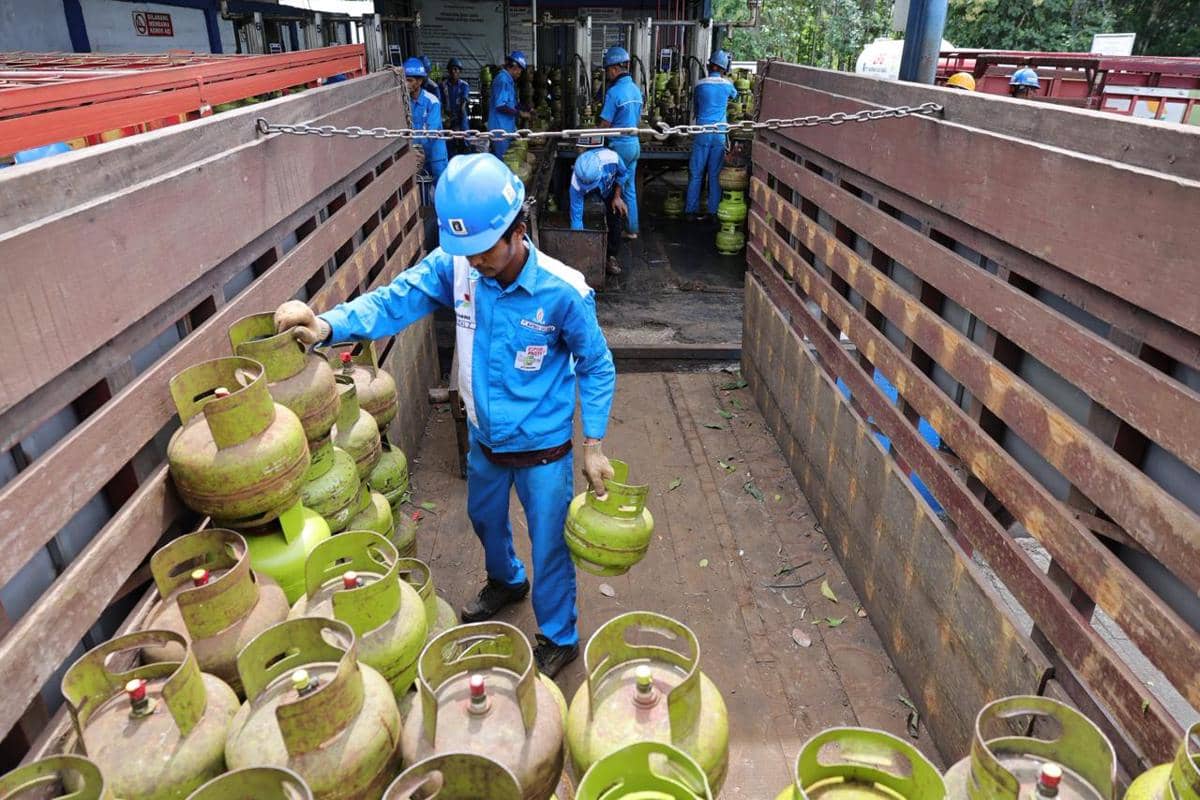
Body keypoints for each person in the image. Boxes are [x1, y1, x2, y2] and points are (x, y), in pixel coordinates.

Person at [273, 154, 616, 677]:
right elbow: (395, 300)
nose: (473, 262)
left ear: (517, 231)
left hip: (543, 450)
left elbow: (596, 365)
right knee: (484, 520)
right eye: (464, 252)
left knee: (549, 544)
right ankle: (506, 581)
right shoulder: (457, 269)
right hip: (484, 441)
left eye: (483, 251)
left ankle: (560, 634)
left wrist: (593, 444)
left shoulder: (562, 291)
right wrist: (327, 325)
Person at [685, 49, 737, 221]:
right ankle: (713, 212)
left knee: (696, 173)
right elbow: (736, 97)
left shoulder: (700, 85)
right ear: (724, 68)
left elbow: (696, 107)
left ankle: (691, 211)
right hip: (719, 133)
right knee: (715, 175)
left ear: (709, 66)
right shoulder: (728, 84)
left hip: (702, 132)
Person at [597, 45, 643, 240]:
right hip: (634, 145)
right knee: (629, 188)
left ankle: (612, 233)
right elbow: (637, 120)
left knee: (612, 190)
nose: (607, 74)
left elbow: (605, 124)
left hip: (619, 148)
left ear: (615, 69)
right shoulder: (636, 90)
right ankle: (632, 229)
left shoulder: (614, 93)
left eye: (608, 70)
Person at [570, 147, 629, 276]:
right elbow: (576, 218)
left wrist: (617, 197)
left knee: (616, 214)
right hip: (591, 193)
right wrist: (579, 248)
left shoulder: (612, 159)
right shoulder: (576, 184)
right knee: (585, 216)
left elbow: (623, 175)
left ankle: (610, 257)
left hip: (610, 186)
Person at [404, 57, 449, 183]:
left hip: (435, 154)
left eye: (409, 80)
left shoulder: (432, 102)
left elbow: (432, 131)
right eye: (404, 80)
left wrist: (417, 147)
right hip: (415, 153)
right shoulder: (404, 103)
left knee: (440, 186)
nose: (405, 84)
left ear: (419, 81)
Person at [488, 51, 528, 158]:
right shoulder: (502, 80)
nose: (520, 73)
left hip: (507, 127)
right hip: (500, 130)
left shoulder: (509, 81)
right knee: (503, 160)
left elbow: (512, 104)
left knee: (510, 158)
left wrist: (527, 108)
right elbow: (500, 105)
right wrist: (520, 114)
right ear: (513, 66)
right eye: (519, 70)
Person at [441, 57, 471, 134]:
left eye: (456, 69)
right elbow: (440, 102)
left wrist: (459, 117)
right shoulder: (443, 85)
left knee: (464, 133)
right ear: (448, 71)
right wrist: (445, 118)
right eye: (451, 69)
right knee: (447, 137)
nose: (453, 71)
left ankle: (466, 144)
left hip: (461, 113)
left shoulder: (464, 85)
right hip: (447, 115)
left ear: (459, 71)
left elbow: (464, 101)